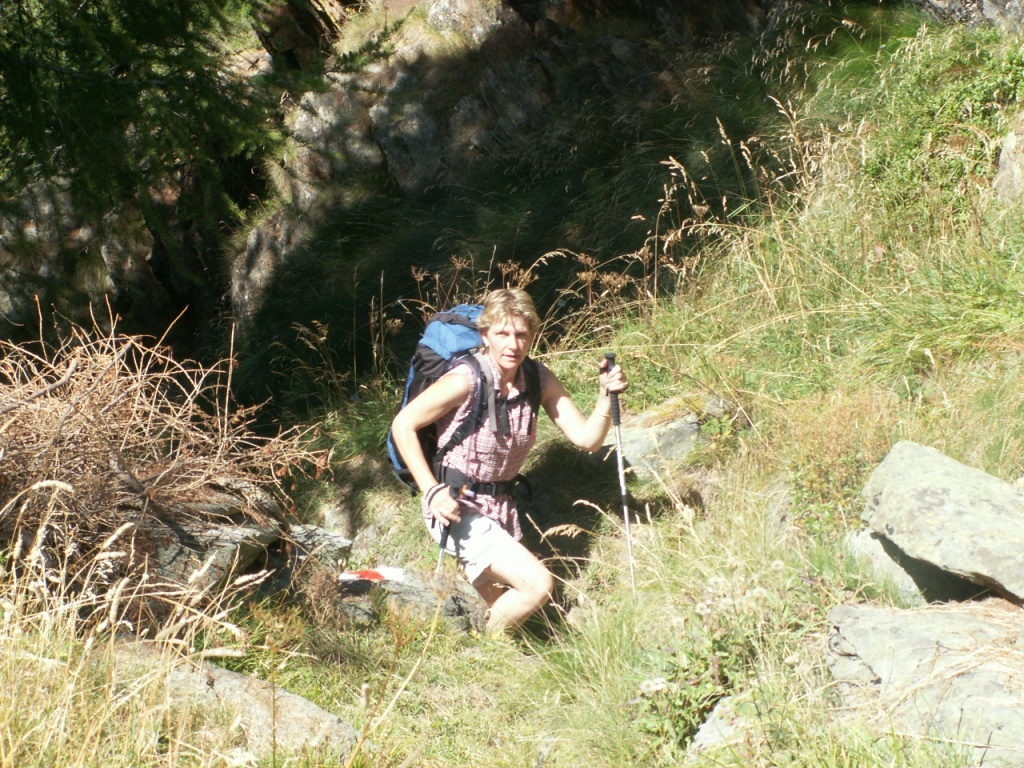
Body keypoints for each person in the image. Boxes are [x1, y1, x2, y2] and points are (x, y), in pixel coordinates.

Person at [390, 287, 628, 633]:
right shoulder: (464, 380)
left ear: (532, 336)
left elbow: (587, 439)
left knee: (499, 605)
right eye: (502, 334)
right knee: (537, 585)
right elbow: (403, 424)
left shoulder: (537, 379)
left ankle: (480, 644)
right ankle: (487, 650)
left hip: (503, 507)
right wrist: (432, 491)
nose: (512, 344)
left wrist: (606, 397)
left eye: (521, 334)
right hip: (456, 506)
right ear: (485, 335)